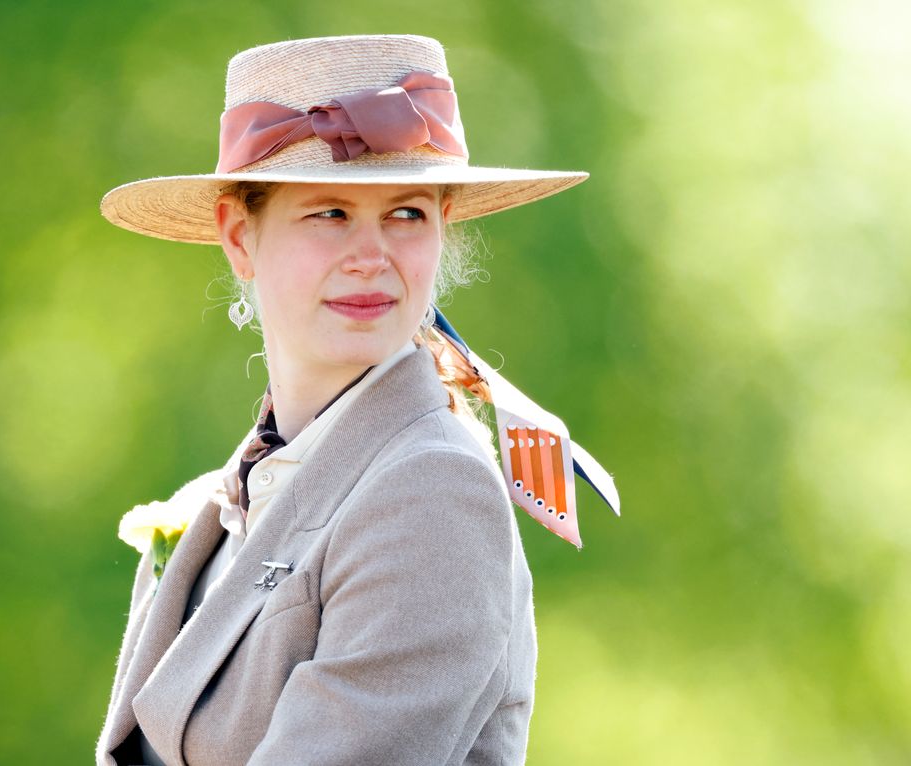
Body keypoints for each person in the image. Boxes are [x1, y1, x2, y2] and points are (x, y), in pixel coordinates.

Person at [95, 34, 618, 766]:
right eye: (330, 213)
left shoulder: (433, 489)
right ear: (240, 238)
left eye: (406, 214)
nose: (372, 255)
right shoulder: (243, 487)